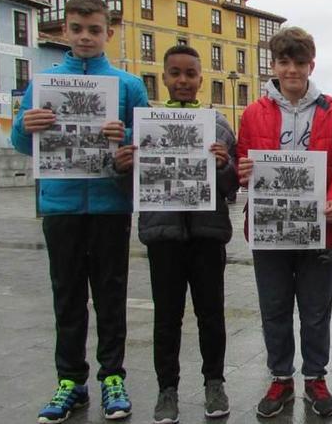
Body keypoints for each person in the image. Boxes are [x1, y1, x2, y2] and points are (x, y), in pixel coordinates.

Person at [11, 0, 148, 424]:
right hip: (61, 205)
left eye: (94, 30)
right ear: (64, 31)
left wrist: (125, 141)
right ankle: (70, 378)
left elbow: (146, 146)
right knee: (66, 293)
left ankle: (112, 376)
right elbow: (20, 142)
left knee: (111, 294)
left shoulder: (128, 85)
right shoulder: (43, 82)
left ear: (109, 33)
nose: (85, 37)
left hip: (110, 206)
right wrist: (24, 126)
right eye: (77, 29)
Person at [113, 45, 236, 423]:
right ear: (164, 77)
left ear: (202, 79)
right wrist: (122, 167)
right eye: (176, 73)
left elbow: (233, 185)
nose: (183, 80)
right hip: (162, 235)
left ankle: (214, 383)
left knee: (210, 315)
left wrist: (223, 164)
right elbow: (130, 188)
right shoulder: (145, 125)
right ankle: (167, 389)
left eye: (190, 74)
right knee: (167, 317)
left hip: (207, 234)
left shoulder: (218, 125)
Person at [236, 26, 332, 418]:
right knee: (275, 307)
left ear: (311, 65)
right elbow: (241, 163)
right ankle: (280, 378)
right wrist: (243, 169)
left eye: (299, 63)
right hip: (269, 230)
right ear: (274, 65)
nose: (292, 70)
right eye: (284, 62)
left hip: (319, 229)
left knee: (316, 310)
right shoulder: (253, 112)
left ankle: (315, 378)